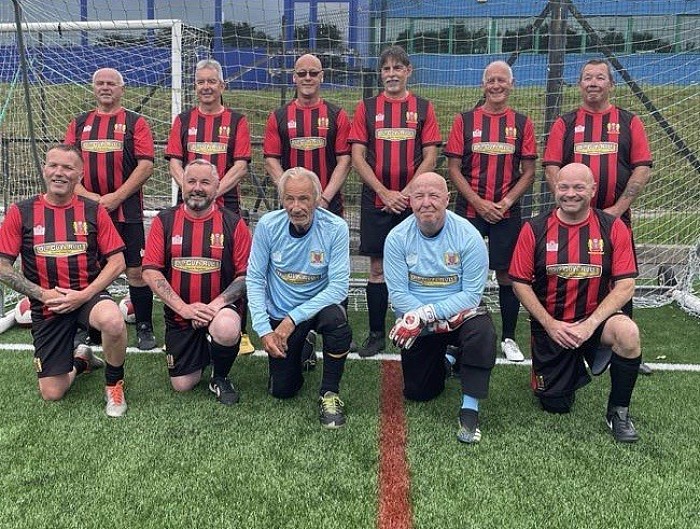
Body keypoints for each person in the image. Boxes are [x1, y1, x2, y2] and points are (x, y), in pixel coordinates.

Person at [509, 163, 642, 443]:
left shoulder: (612, 227)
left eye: (579, 187)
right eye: (564, 187)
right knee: (556, 406)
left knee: (628, 334)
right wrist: (551, 324)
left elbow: (626, 285)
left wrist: (590, 324)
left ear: (592, 190)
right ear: (554, 188)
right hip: (552, 326)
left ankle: (618, 411)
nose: (571, 193)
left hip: (596, 321)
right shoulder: (534, 228)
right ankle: (570, 368)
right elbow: (520, 283)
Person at [0, 144, 128, 417]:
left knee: (113, 320)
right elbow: (2, 267)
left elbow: (118, 262)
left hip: (87, 297)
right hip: (48, 305)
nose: (60, 173)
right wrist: (43, 295)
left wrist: (84, 295)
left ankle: (114, 385)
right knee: (52, 393)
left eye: (68, 168)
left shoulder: (94, 210)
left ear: (79, 175)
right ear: (44, 169)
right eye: (53, 165)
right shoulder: (20, 212)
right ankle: (82, 360)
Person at [543, 58, 653, 375]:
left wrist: (615, 212)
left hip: (615, 217)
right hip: (573, 220)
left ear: (611, 84)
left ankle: (627, 348)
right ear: (580, 84)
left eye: (600, 77)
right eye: (587, 77)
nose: (593, 82)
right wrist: (572, 207)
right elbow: (551, 166)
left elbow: (642, 167)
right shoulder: (565, 123)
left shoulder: (630, 122)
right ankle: (563, 335)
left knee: (621, 278)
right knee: (571, 272)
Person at [384, 172, 496, 444]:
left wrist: (428, 314)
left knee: (482, 332)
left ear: (447, 199)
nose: (426, 203)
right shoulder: (397, 238)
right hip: (419, 320)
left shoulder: (468, 236)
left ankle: (470, 409)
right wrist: (422, 318)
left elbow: (471, 294)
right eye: (419, 196)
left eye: (434, 195)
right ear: (410, 201)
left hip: (460, 317)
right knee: (419, 392)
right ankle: (449, 360)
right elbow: (398, 293)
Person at [349, 45, 441, 357]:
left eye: (397, 68)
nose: (391, 74)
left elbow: (430, 154)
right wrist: (384, 192)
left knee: (416, 266)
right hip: (377, 200)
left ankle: (413, 326)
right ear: (381, 74)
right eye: (386, 69)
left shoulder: (424, 108)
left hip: (412, 202)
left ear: (408, 71)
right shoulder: (366, 107)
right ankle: (376, 334)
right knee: (377, 269)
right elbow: (358, 157)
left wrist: (407, 192)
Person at [444, 60, 537, 363]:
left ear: (512, 84)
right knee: (458, 271)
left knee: (507, 274)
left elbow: (529, 171)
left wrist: (506, 202)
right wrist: (479, 202)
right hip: (470, 210)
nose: (496, 85)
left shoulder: (523, 123)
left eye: (502, 80)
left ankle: (508, 337)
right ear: (483, 85)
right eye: (490, 80)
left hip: (506, 212)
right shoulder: (465, 121)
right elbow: (454, 168)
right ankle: (455, 333)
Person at [246, 167, 352, 429]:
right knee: (282, 390)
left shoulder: (336, 228)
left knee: (337, 321)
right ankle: (304, 345)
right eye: (289, 199)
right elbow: (255, 278)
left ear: (317, 198)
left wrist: (293, 319)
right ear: (281, 199)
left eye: (304, 198)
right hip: (280, 313)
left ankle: (329, 393)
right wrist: (263, 329)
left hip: (318, 309)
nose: (296, 207)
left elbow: (339, 287)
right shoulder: (268, 226)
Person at [142, 159, 251, 405]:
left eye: (205, 182)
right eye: (191, 181)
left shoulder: (234, 223)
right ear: (182, 184)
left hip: (219, 309)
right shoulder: (164, 221)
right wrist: (184, 309)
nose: (197, 187)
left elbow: (246, 276)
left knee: (226, 328)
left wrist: (214, 306)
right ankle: (205, 350)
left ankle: (220, 376)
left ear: (217, 187)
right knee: (182, 385)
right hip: (181, 313)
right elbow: (151, 271)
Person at [165, 58, 254, 354]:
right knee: (185, 261)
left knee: (233, 267)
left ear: (222, 85)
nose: (206, 86)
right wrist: (191, 188)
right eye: (201, 81)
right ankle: (182, 321)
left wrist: (213, 191)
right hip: (189, 204)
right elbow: (175, 162)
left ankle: (237, 330)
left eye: (211, 81)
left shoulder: (237, 121)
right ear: (195, 86)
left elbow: (240, 165)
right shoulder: (183, 120)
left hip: (225, 204)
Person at [64, 67, 157, 350]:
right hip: (87, 213)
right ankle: (85, 325)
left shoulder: (135, 122)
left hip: (126, 211)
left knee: (136, 270)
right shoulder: (79, 123)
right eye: (100, 83)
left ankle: (143, 325)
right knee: (87, 269)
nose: (106, 87)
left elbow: (146, 164)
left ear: (121, 89)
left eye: (111, 84)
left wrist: (117, 196)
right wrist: (87, 196)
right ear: (94, 88)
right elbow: (67, 165)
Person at [263, 53, 352, 217]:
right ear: (294, 78)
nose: (308, 78)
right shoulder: (278, 116)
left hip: (329, 205)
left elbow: (345, 161)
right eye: (302, 73)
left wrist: (324, 199)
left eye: (313, 73)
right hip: (292, 207)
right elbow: (271, 161)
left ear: (322, 76)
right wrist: (289, 194)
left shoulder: (338, 115)